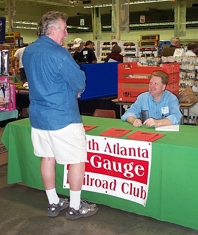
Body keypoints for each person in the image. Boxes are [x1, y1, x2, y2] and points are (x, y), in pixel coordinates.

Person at [22, 11, 98, 220]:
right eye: (64, 29)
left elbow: (42, 80)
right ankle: (74, 206)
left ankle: (54, 202)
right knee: (76, 160)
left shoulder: (29, 51)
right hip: (63, 116)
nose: (66, 34)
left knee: (48, 157)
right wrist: (74, 88)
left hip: (38, 117)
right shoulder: (59, 54)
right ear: (53, 29)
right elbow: (79, 82)